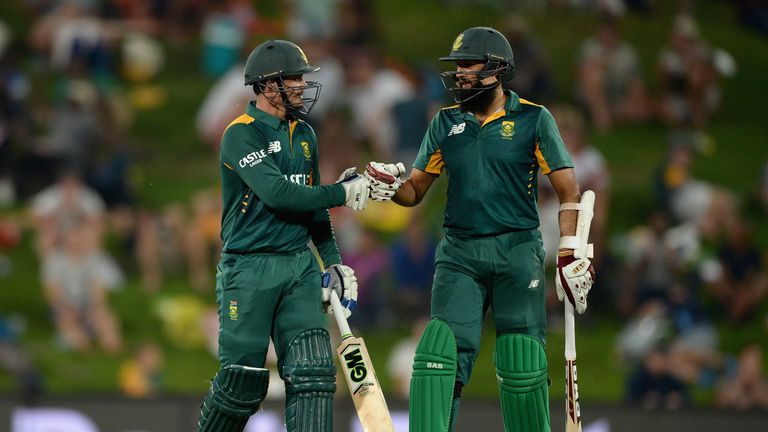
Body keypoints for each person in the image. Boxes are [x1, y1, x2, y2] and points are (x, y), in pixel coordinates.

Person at [365, 27, 595, 432]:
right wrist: (385, 188)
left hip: (517, 250)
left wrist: (571, 249)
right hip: (459, 254)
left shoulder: (533, 119)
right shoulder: (445, 123)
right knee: (439, 356)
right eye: (458, 68)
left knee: (521, 360)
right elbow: (415, 190)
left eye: (469, 67)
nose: (461, 76)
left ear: (498, 70)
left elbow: (568, 190)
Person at [197, 39, 371, 432]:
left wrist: (335, 261)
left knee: (314, 376)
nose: (301, 85)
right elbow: (278, 193)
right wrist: (342, 192)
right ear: (265, 85)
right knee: (243, 382)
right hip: (249, 266)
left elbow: (312, 207)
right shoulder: (240, 134)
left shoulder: (305, 134)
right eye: (292, 77)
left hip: (299, 266)